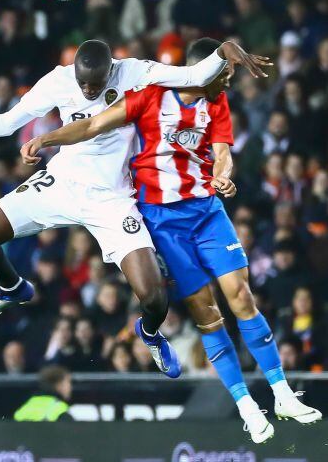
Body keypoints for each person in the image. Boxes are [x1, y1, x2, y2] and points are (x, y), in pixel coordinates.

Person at [0, 38, 268, 379]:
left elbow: (193, 74)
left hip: (112, 199)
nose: (89, 91)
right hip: (62, 182)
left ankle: (151, 334)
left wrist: (226, 50)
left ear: (110, 71)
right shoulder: (57, 81)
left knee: (155, 298)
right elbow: (8, 122)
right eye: (83, 85)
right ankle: (12, 287)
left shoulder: (135, 72)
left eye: (95, 85)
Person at [23, 38, 321, 441]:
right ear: (204, 71)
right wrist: (47, 139)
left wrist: (223, 173)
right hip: (163, 220)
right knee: (207, 312)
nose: (229, 80)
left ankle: (282, 394)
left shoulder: (217, 103)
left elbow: (222, 152)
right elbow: (93, 124)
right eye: (226, 72)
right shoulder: (150, 96)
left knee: (243, 297)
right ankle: (247, 406)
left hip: (207, 212)